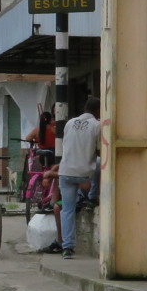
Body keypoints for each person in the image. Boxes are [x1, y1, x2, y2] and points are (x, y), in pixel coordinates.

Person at [56, 99, 101, 259]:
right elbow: (100, 151)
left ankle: (67, 248)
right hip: (84, 174)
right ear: (97, 111)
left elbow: (65, 146)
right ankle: (91, 198)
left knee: (67, 210)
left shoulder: (69, 123)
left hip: (65, 171)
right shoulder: (97, 125)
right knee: (99, 162)